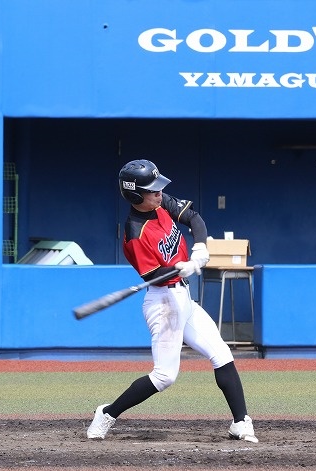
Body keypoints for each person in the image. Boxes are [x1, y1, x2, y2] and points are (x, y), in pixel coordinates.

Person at [86, 159, 257, 442]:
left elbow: (194, 219)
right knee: (165, 376)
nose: (159, 193)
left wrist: (199, 247)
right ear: (135, 195)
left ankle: (241, 422)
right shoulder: (134, 233)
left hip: (183, 296)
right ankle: (107, 413)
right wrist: (181, 267)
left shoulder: (160, 202)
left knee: (221, 353)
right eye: (152, 190)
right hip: (163, 303)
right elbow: (153, 275)